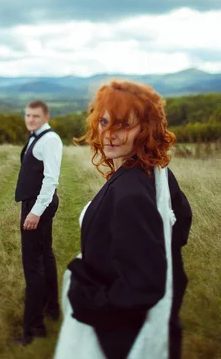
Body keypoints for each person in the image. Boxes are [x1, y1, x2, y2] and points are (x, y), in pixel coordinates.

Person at [54, 80, 193, 358]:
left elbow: (143, 287)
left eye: (123, 125)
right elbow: (179, 229)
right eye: (104, 121)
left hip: (122, 338)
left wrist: (86, 299)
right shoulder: (157, 173)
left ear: (145, 129)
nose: (110, 134)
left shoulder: (130, 194)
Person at [13, 100, 63, 346]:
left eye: (35, 116)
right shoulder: (36, 136)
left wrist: (34, 212)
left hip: (38, 206)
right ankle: (50, 309)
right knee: (45, 257)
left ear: (46, 116)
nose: (30, 119)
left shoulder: (50, 140)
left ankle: (33, 328)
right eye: (27, 115)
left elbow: (50, 180)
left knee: (33, 266)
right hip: (34, 204)